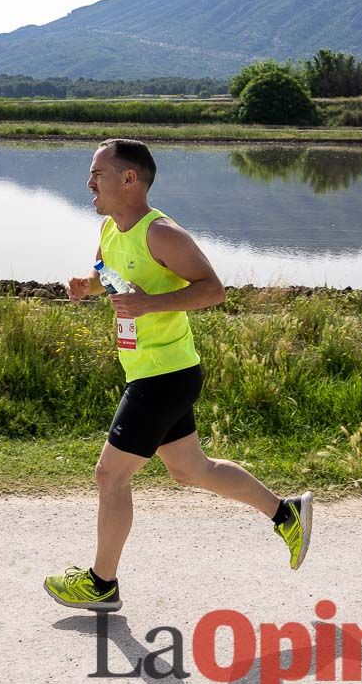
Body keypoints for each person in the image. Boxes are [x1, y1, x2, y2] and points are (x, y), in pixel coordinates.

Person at [44, 138, 312, 612]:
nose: (89, 182)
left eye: (97, 173)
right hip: (152, 370)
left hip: (165, 374)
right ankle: (286, 513)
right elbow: (109, 272)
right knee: (191, 470)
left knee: (110, 475)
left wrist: (151, 305)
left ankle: (101, 584)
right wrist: (87, 285)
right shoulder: (111, 229)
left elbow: (213, 290)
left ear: (129, 180)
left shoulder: (162, 234)